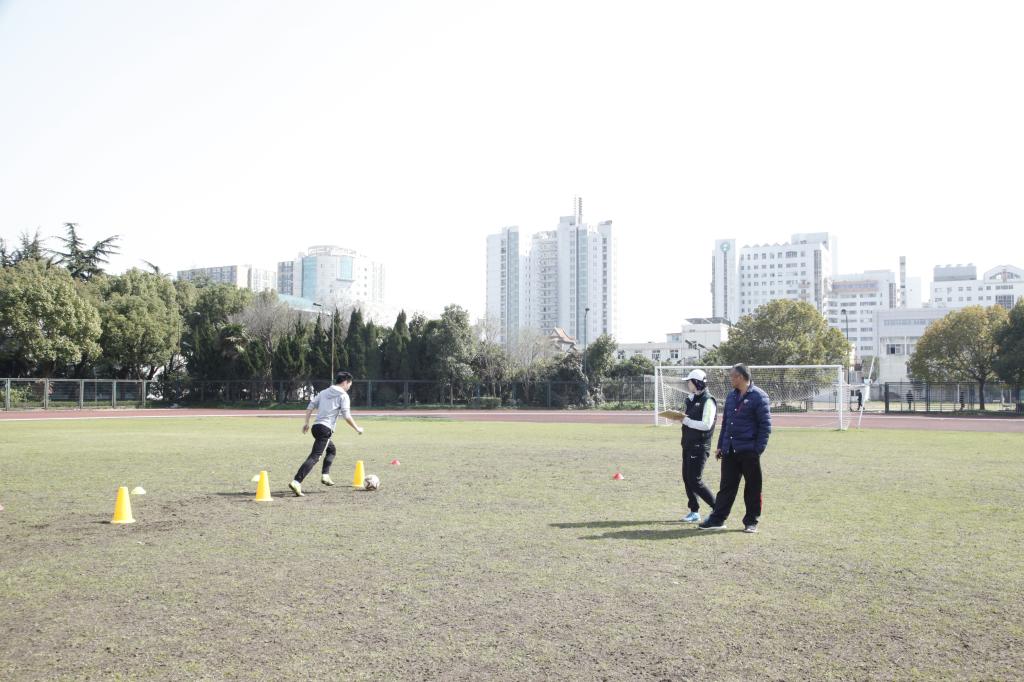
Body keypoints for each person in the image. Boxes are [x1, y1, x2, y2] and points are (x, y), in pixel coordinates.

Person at [699, 364, 772, 533]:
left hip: (749, 450)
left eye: (732, 376)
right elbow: (726, 423)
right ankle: (717, 519)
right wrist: (720, 445)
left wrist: (757, 450)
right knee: (726, 487)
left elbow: (765, 426)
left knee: (752, 487)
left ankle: (751, 521)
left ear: (740, 377)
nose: (730, 379)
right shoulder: (731, 396)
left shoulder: (759, 396)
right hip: (730, 450)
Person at [289, 371, 364, 497]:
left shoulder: (323, 392)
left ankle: (325, 475)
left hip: (316, 427)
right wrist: (357, 428)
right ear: (345, 382)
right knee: (315, 457)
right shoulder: (343, 396)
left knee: (331, 450)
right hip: (325, 429)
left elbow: (310, 406)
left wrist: (306, 423)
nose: (349, 387)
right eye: (350, 384)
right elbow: (346, 416)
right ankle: (296, 481)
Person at [677, 369, 717, 523]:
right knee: (687, 478)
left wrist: (687, 421)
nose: (688, 384)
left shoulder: (708, 400)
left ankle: (718, 508)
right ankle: (694, 511)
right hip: (688, 444)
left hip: (700, 446)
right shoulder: (691, 399)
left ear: (697, 382)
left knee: (695, 480)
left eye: (690, 381)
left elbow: (706, 425)